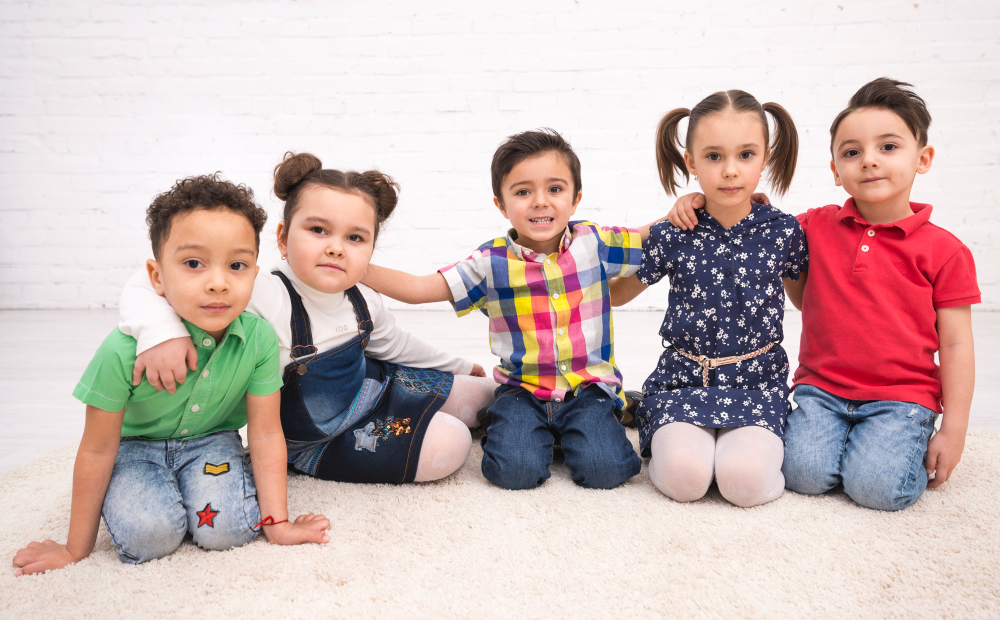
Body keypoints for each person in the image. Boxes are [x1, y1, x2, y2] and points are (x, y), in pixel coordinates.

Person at [666, 78, 980, 511]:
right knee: (802, 476)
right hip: (822, 391)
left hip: (901, 396)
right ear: (835, 169)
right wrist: (698, 201)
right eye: (852, 152)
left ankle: (891, 440)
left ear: (922, 158)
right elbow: (748, 227)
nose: (868, 161)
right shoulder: (814, 225)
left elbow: (958, 342)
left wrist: (955, 427)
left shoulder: (945, 250)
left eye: (888, 147)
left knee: (876, 488)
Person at [13, 175, 330, 576]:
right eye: (193, 264)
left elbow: (265, 432)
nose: (218, 283)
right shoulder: (122, 350)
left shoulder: (259, 340)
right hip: (134, 450)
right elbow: (96, 449)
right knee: (151, 536)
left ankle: (207, 489)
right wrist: (76, 547)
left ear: (254, 272)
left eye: (237, 265)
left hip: (211, 444)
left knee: (228, 531)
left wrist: (278, 524)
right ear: (157, 276)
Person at [117, 154, 497, 485]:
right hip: (321, 437)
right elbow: (145, 281)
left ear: (370, 252)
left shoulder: (364, 296)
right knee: (452, 443)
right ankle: (321, 458)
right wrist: (162, 333)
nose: (335, 246)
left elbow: (396, 345)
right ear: (282, 238)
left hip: (374, 389)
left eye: (355, 238)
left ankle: (459, 413)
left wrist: (462, 365)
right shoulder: (265, 291)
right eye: (318, 230)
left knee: (485, 394)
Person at [361, 129, 663, 490]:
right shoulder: (489, 263)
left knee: (606, 471)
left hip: (588, 390)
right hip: (523, 390)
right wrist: (354, 265)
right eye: (523, 192)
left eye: (555, 189)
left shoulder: (594, 242)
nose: (540, 202)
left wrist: (696, 207)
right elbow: (418, 288)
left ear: (575, 198)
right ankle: (510, 423)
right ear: (501, 205)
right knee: (514, 473)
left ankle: (609, 414)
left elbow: (651, 236)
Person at [610, 91, 806, 508]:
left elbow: (808, 301)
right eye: (714, 157)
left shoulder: (784, 231)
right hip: (683, 383)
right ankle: (656, 419)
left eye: (746, 155)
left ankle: (744, 457)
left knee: (744, 483)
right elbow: (615, 295)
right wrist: (660, 224)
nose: (731, 171)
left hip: (757, 384)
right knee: (685, 480)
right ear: (691, 162)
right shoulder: (676, 231)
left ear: (766, 157)